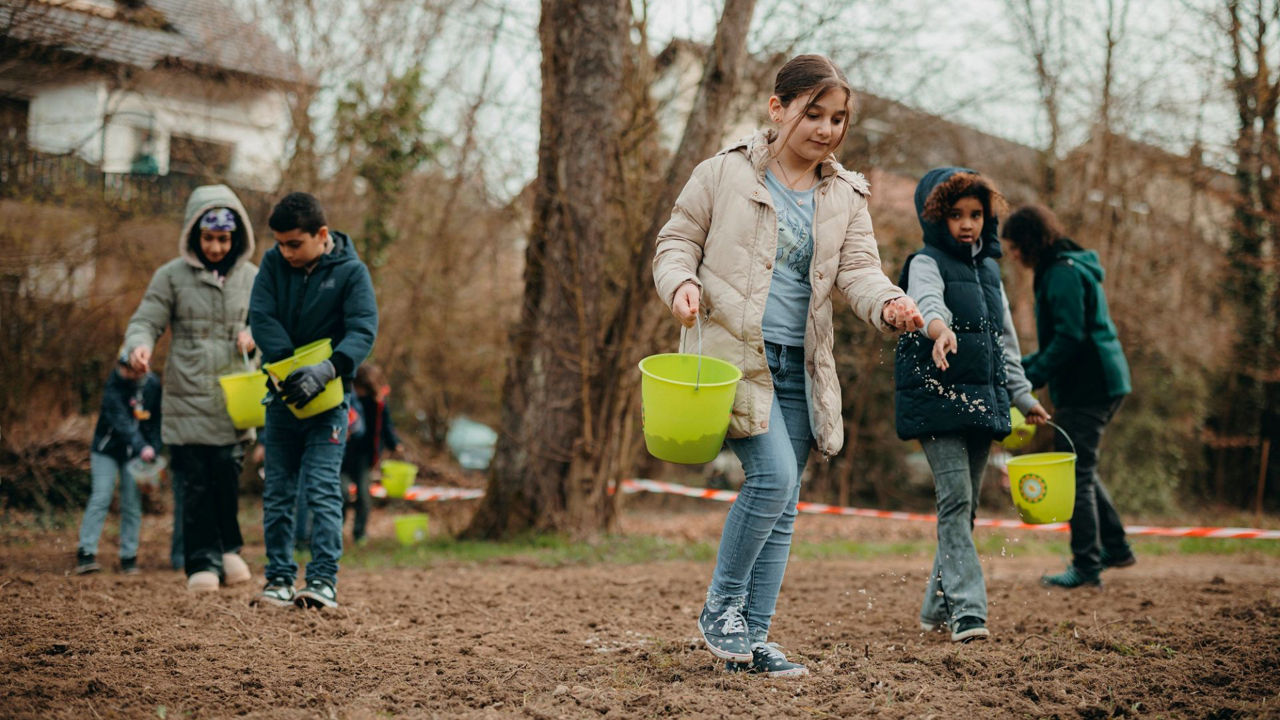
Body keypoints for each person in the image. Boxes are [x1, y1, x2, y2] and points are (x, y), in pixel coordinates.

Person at [652, 54, 923, 678]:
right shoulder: (723, 173)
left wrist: (890, 305)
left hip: (802, 367)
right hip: (734, 358)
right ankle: (721, 608)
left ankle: (751, 638)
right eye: (815, 114)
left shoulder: (845, 195)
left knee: (787, 500)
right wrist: (680, 285)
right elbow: (677, 240)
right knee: (772, 480)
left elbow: (858, 271)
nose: (827, 129)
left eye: (839, 119)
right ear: (778, 109)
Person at [893, 167, 1050, 643]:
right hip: (936, 396)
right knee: (956, 499)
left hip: (983, 400)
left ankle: (934, 608)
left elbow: (1005, 339)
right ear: (937, 217)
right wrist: (938, 330)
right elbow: (926, 303)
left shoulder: (989, 271)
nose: (967, 224)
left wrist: (1023, 396)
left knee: (966, 507)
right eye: (957, 214)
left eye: (976, 215)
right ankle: (968, 611)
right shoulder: (925, 261)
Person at [123, 185, 258, 592]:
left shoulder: (254, 278)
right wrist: (139, 346)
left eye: (223, 239)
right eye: (208, 238)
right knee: (195, 483)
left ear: (235, 239)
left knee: (227, 476)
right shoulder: (171, 276)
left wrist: (256, 335)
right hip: (187, 396)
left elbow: (271, 324)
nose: (215, 247)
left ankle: (228, 550)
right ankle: (201, 561)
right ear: (194, 235)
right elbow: (146, 319)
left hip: (235, 399)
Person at [249, 191, 378, 610]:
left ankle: (322, 581)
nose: (285, 252)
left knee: (323, 490)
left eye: (294, 244)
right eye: (280, 243)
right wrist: (289, 369)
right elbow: (261, 317)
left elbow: (362, 330)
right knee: (279, 492)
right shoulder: (272, 264)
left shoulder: (352, 273)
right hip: (281, 400)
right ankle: (279, 580)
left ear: (322, 234)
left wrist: (324, 371)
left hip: (330, 406)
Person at [1001, 204, 1133, 588]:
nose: (1012, 255)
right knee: (1083, 468)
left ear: (1028, 242)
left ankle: (1087, 566)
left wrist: (1028, 378)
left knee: (1076, 473)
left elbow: (1069, 339)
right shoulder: (1065, 266)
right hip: (1099, 381)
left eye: (1014, 247)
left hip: (1088, 386)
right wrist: (1026, 367)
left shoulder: (1061, 274)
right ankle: (1116, 546)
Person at [76, 355, 162, 575]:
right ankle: (86, 552)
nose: (126, 372)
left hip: (135, 453)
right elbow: (122, 422)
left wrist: (154, 447)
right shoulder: (114, 385)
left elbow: (154, 420)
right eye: (123, 368)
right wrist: (143, 446)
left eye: (130, 368)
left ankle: (128, 556)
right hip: (106, 450)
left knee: (132, 503)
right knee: (101, 496)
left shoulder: (152, 385)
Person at [342, 364, 402, 544]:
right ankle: (336, 530)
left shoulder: (379, 404)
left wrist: (395, 444)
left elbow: (386, 426)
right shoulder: (348, 399)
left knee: (363, 495)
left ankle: (359, 533)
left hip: (365, 457)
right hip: (342, 456)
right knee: (341, 493)